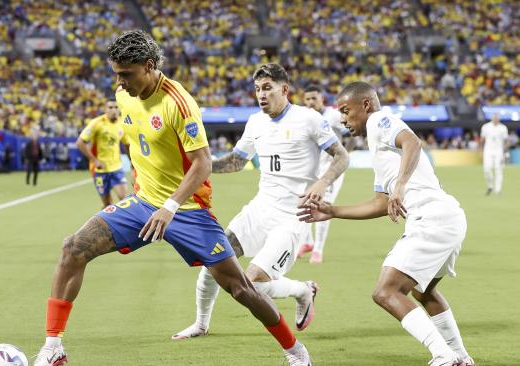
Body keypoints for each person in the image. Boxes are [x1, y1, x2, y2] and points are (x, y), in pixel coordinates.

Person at [33, 30, 312, 366]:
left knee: (241, 289)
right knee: (73, 248)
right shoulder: (124, 94)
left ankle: (295, 352)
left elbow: (203, 163)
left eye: (126, 74)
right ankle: (52, 346)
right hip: (141, 204)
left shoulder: (178, 103)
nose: (119, 83)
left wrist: (169, 207)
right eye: (116, 74)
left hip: (189, 210)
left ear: (149, 66)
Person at [298, 81, 474, 366]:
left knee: (386, 291)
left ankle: (444, 356)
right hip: (447, 217)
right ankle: (462, 358)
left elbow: (413, 143)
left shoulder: (380, 120)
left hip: (431, 217)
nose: (343, 119)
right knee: (423, 291)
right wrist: (332, 210)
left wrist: (400, 187)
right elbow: (380, 203)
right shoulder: (377, 143)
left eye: (346, 110)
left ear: (365, 105)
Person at [172, 64, 349, 340]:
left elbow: (341, 156)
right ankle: (201, 324)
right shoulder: (255, 122)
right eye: (257, 90)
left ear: (284, 89)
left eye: (267, 88)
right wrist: (200, 166)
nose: (261, 95)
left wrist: (321, 183)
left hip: (292, 217)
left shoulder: (309, 119)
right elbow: (236, 162)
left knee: (250, 284)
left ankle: (303, 290)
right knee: (213, 260)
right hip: (259, 210)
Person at [297, 84, 351, 263]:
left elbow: (351, 131)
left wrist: (344, 154)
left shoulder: (333, 116)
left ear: (322, 99)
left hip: (331, 171)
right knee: (301, 203)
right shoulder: (304, 117)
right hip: (311, 170)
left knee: (323, 207)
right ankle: (307, 242)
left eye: (314, 98)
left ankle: (318, 250)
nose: (311, 102)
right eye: (308, 99)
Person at [76, 98, 130, 208]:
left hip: (117, 168)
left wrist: (132, 162)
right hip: (100, 170)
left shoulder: (122, 123)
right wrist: (94, 160)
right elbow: (80, 143)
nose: (113, 110)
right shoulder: (97, 123)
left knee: (125, 199)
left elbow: (126, 144)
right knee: (107, 205)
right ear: (105, 109)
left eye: (116, 107)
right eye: (110, 107)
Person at [480, 113, 508, 195]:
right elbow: (482, 139)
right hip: (488, 150)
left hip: (499, 150)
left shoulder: (503, 128)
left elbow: (506, 141)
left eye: (497, 118)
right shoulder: (485, 127)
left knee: (498, 169)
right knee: (487, 169)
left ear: (499, 119)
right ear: (492, 118)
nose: (496, 119)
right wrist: (480, 151)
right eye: (494, 118)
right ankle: (490, 186)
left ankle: (498, 190)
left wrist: (505, 152)